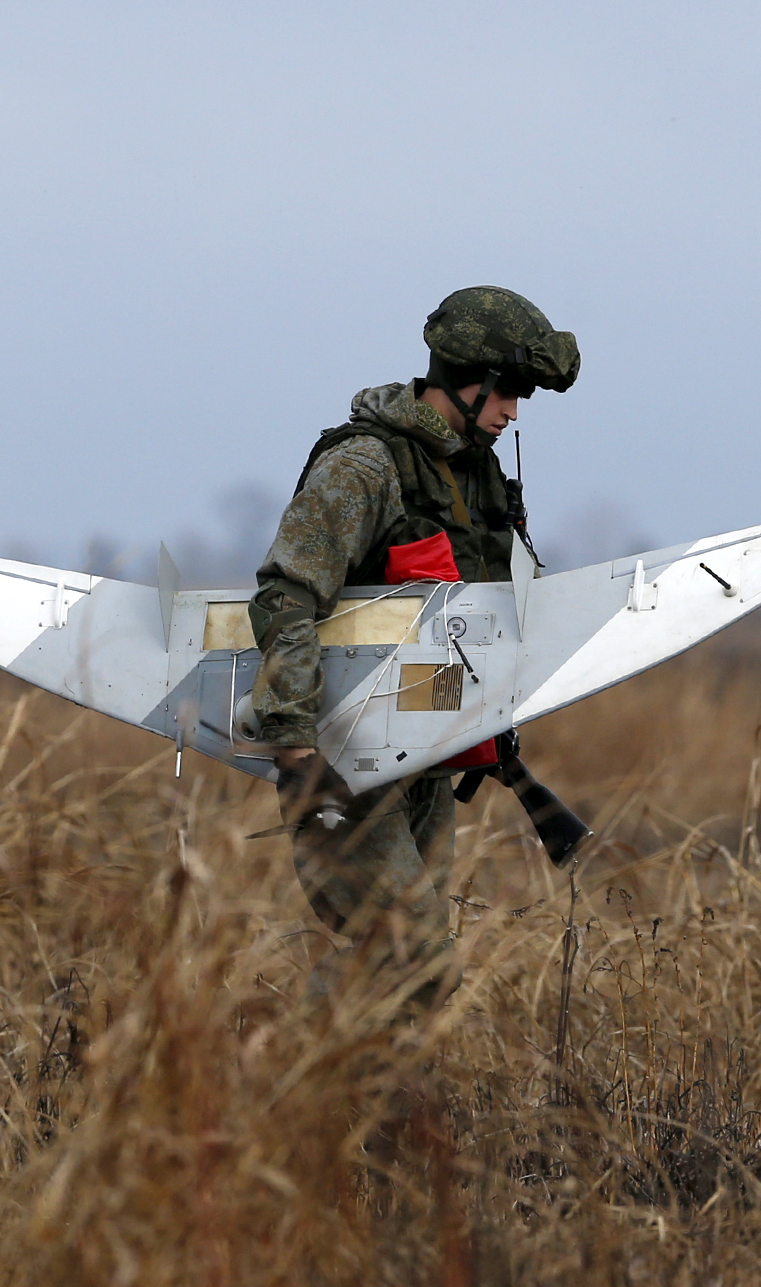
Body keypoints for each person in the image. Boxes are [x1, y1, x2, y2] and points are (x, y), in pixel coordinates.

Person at [247, 286, 582, 1010]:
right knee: (412, 958)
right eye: (510, 390)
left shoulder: (475, 473)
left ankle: (343, 1112)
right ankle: (262, 1073)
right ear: (465, 375)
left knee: (405, 984)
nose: (514, 410)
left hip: (425, 761)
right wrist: (297, 752)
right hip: (343, 765)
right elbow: (286, 595)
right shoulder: (366, 467)